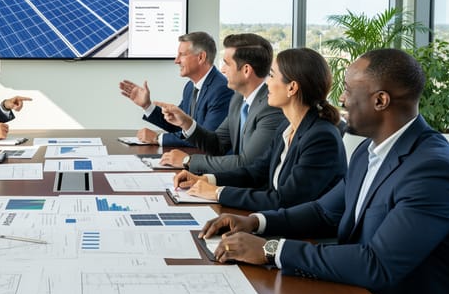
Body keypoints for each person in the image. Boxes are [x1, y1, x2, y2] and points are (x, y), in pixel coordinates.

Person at [201, 48, 449, 294]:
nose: (341, 98)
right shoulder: (368, 151)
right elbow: (324, 212)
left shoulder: (433, 171)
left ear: (380, 100)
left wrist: (271, 250)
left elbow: (378, 263)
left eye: (349, 90)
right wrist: (255, 222)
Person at [171, 48, 346, 210]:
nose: (267, 83)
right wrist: (206, 179)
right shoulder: (287, 126)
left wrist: (217, 192)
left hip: (304, 235)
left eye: (271, 76)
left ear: (292, 88)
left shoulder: (321, 137)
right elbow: (255, 172)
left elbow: (286, 200)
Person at [157, 33, 284, 172]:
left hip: (255, 189)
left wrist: (188, 160)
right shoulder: (238, 99)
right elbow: (217, 143)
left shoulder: (271, 108)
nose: (222, 69)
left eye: (227, 63)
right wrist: (186, 123)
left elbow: (247, 163)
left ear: (246, 70)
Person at [118, 32, 234, 147]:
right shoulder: (190, 87)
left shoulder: (221, 89)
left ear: (201, 57)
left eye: (182, 54)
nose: (176, 60)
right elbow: (178, 124)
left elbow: (206, 140)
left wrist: (157, 138)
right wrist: (147, 106)